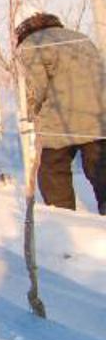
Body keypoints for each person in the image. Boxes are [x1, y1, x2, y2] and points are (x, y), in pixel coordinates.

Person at [15, 11, 106, 214]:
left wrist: (29, 113)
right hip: (98, 117)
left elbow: (35, 88)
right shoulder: (81, 38)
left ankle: (64, 220)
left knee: (53, 171)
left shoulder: (33, 44)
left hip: (59, 120)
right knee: (101, 170)